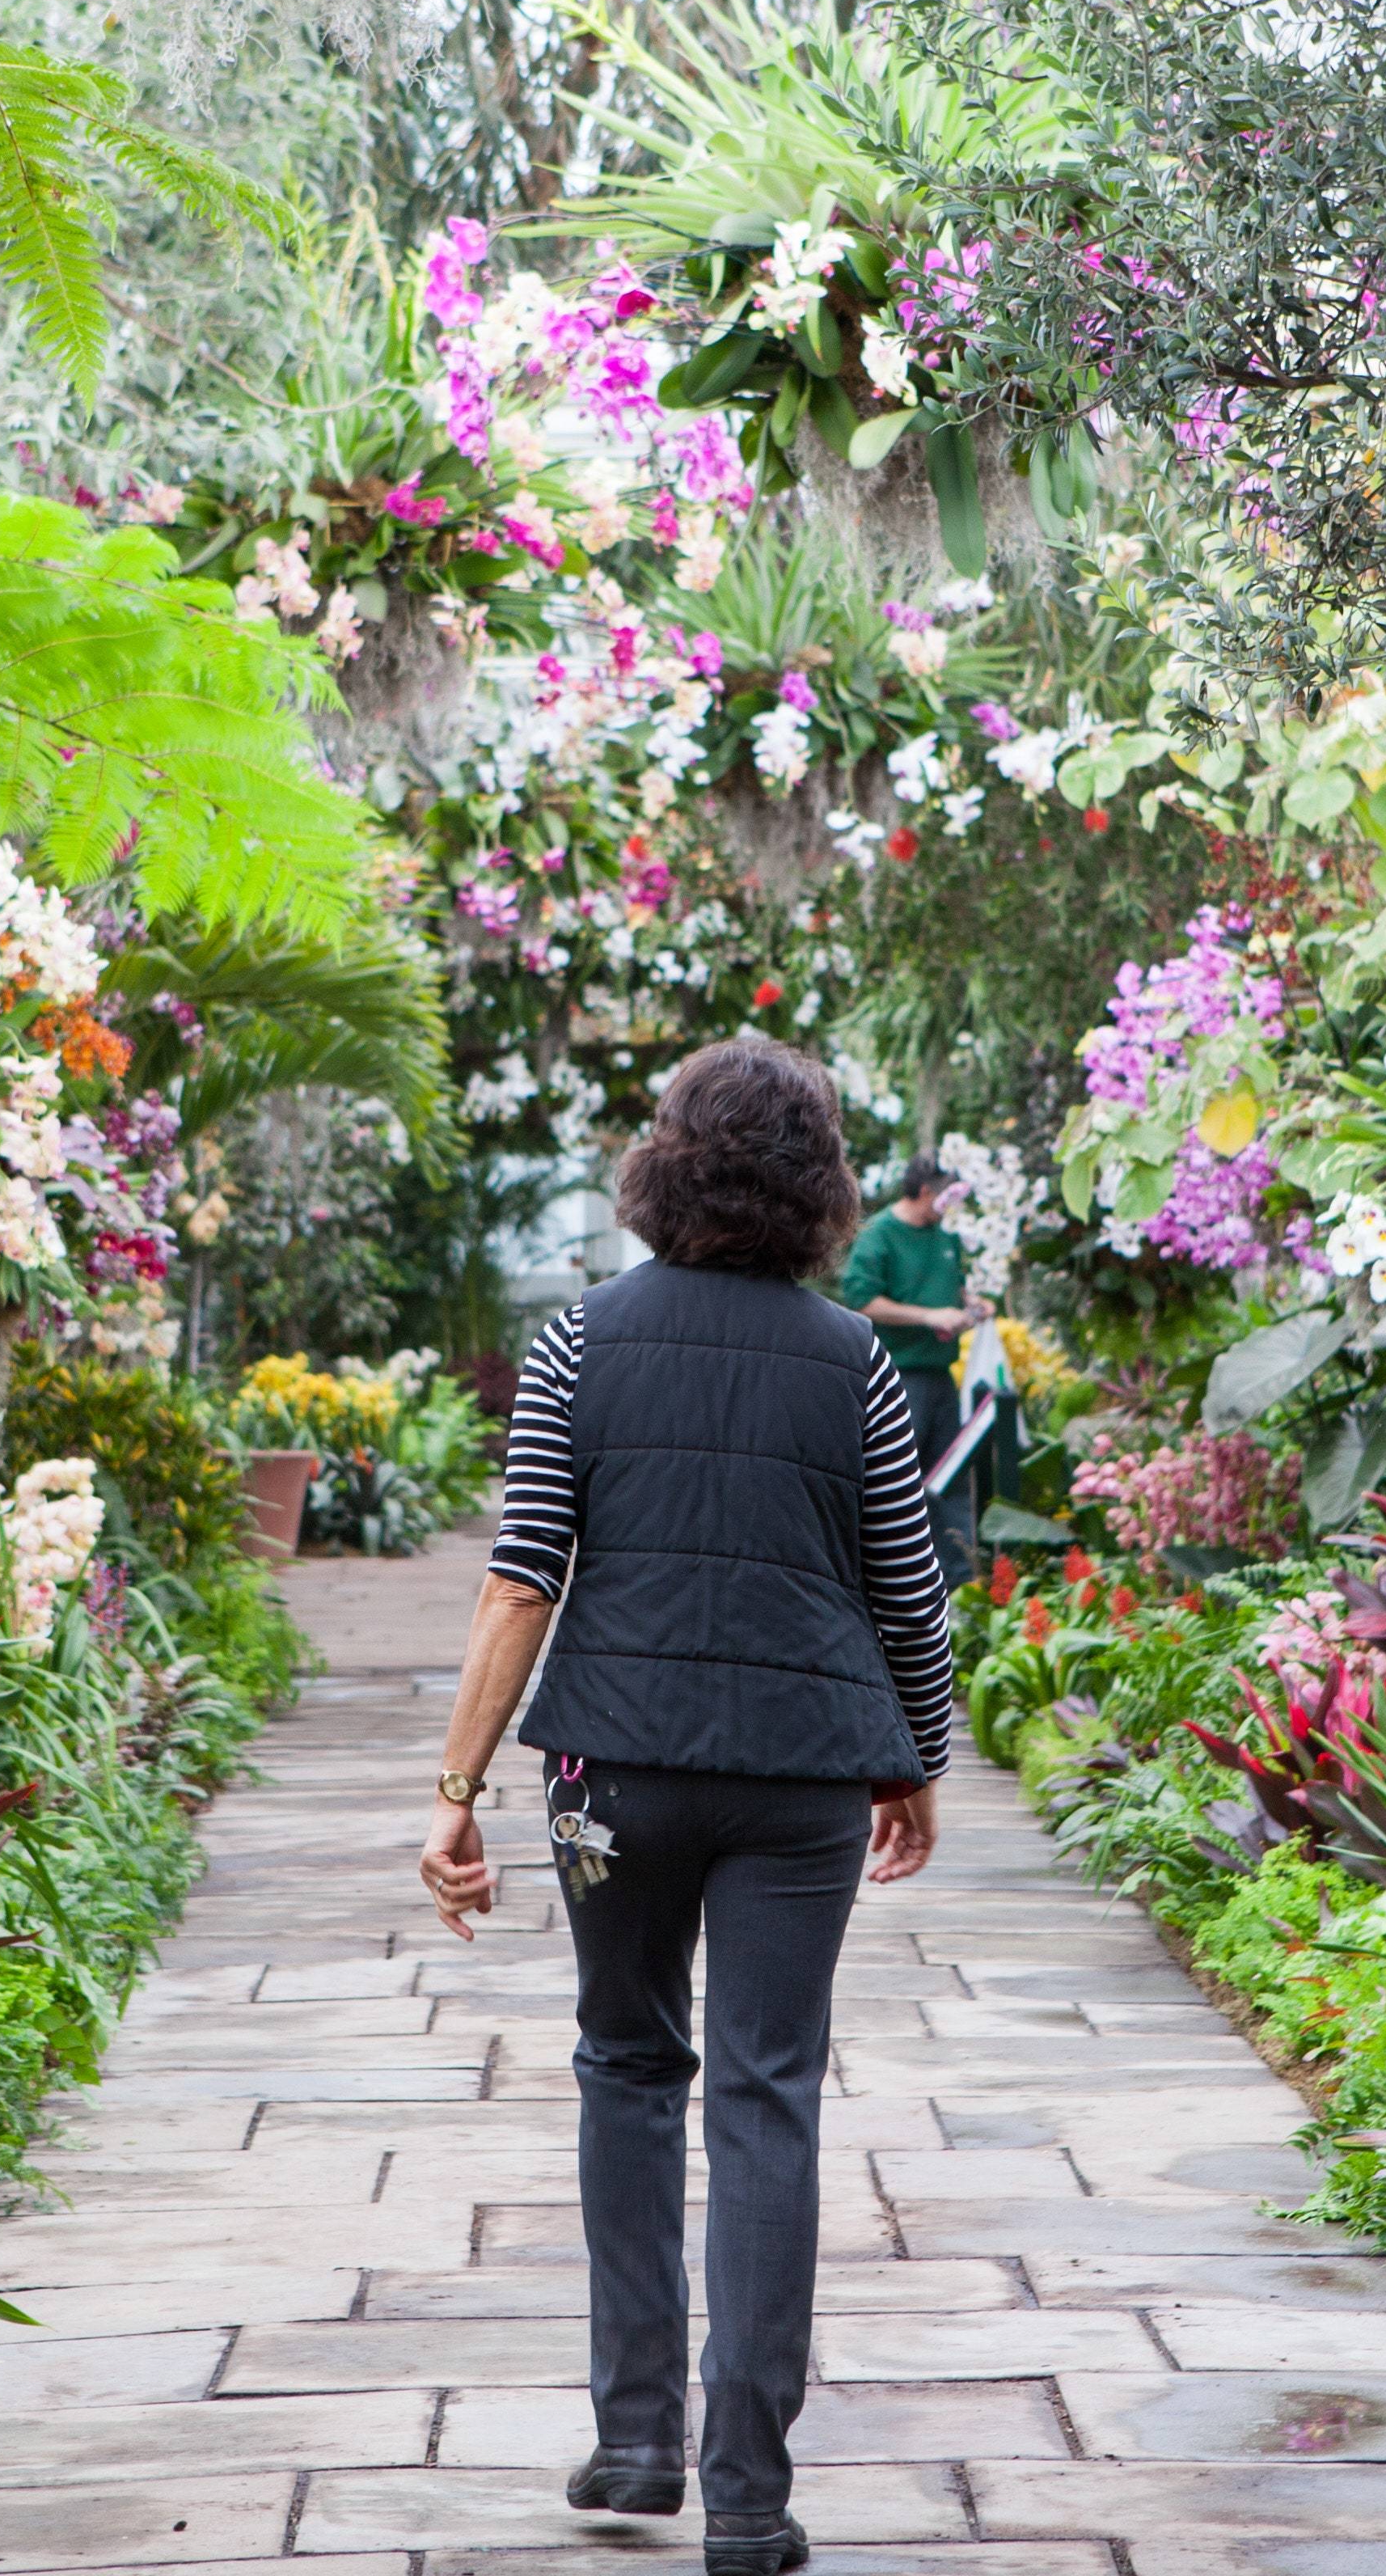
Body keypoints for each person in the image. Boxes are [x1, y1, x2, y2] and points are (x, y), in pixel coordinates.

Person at [415, 1039, 957, 2576]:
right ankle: (750, 2497)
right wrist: (915, 1756)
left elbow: (522, 1577)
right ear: (821, 1185)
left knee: (628, 2061)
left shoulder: (582, 1337)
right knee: (767, 2094)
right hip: (800, 1779)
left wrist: (455, 1791)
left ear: (664, 1163)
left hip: (612, 1774)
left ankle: (637, 2433)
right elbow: (905, 1591)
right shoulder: (851, 1356)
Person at [839, 1157, 984, 1585]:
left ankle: (962, 1583)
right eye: (947, 1195)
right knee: (900, 1485)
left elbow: (953, 1287)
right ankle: (899, 1584)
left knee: (953, 1479)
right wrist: (928, 1317)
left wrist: (970, 1305)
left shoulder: (946, 1235)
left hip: (941, 1376)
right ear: (925, 1192)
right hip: (898, 1378)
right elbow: (862, 1300)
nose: (952, 1205)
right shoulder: (881, 1235)